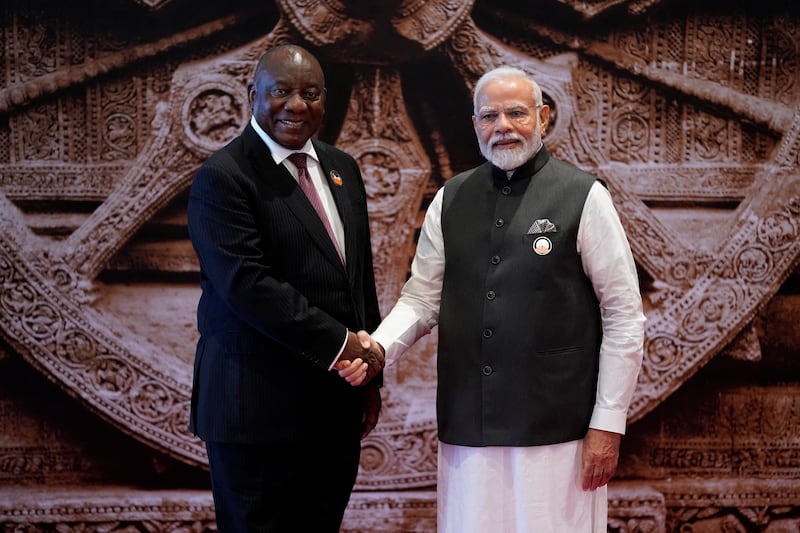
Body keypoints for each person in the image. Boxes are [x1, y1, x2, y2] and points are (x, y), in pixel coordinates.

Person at [338, 66, 645, 532]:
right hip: (468, 425)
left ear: (542, 118)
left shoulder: (584, 197)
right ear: (476, 124)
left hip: (559, 429)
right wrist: (379, 349)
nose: (502, 126)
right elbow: (421, 299)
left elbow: (624, 315)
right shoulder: (450, 199)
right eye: (489, 116)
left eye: (516, 113)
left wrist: (608, 422)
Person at [187, 43, 384, 533]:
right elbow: (247, 284)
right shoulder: (223, 177)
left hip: (334, 407)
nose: (297, 104)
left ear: (325, 100)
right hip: (256, 413)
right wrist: (344, 346)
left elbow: (356, 279)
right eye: (282, 91)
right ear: (253, 94)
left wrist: (371, 373)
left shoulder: (344, 169)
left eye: (310, 93)